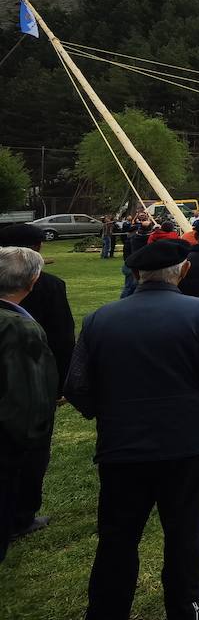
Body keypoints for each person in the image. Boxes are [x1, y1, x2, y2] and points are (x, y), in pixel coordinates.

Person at [64, 239, 199, 618]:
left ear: (137, 274)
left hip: (121, 445)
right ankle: (188, 606)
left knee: (117, 536)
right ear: (184, 271)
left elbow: (76, 384)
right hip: (186, 444)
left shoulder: (98, 318)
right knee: (184, 533)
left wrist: (109, 412)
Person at [0, 224, 75, 545]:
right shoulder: (49, 287)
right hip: (30, 382)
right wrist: (61, 384)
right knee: (29, 451)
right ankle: (20, 517)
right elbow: (61, 337)